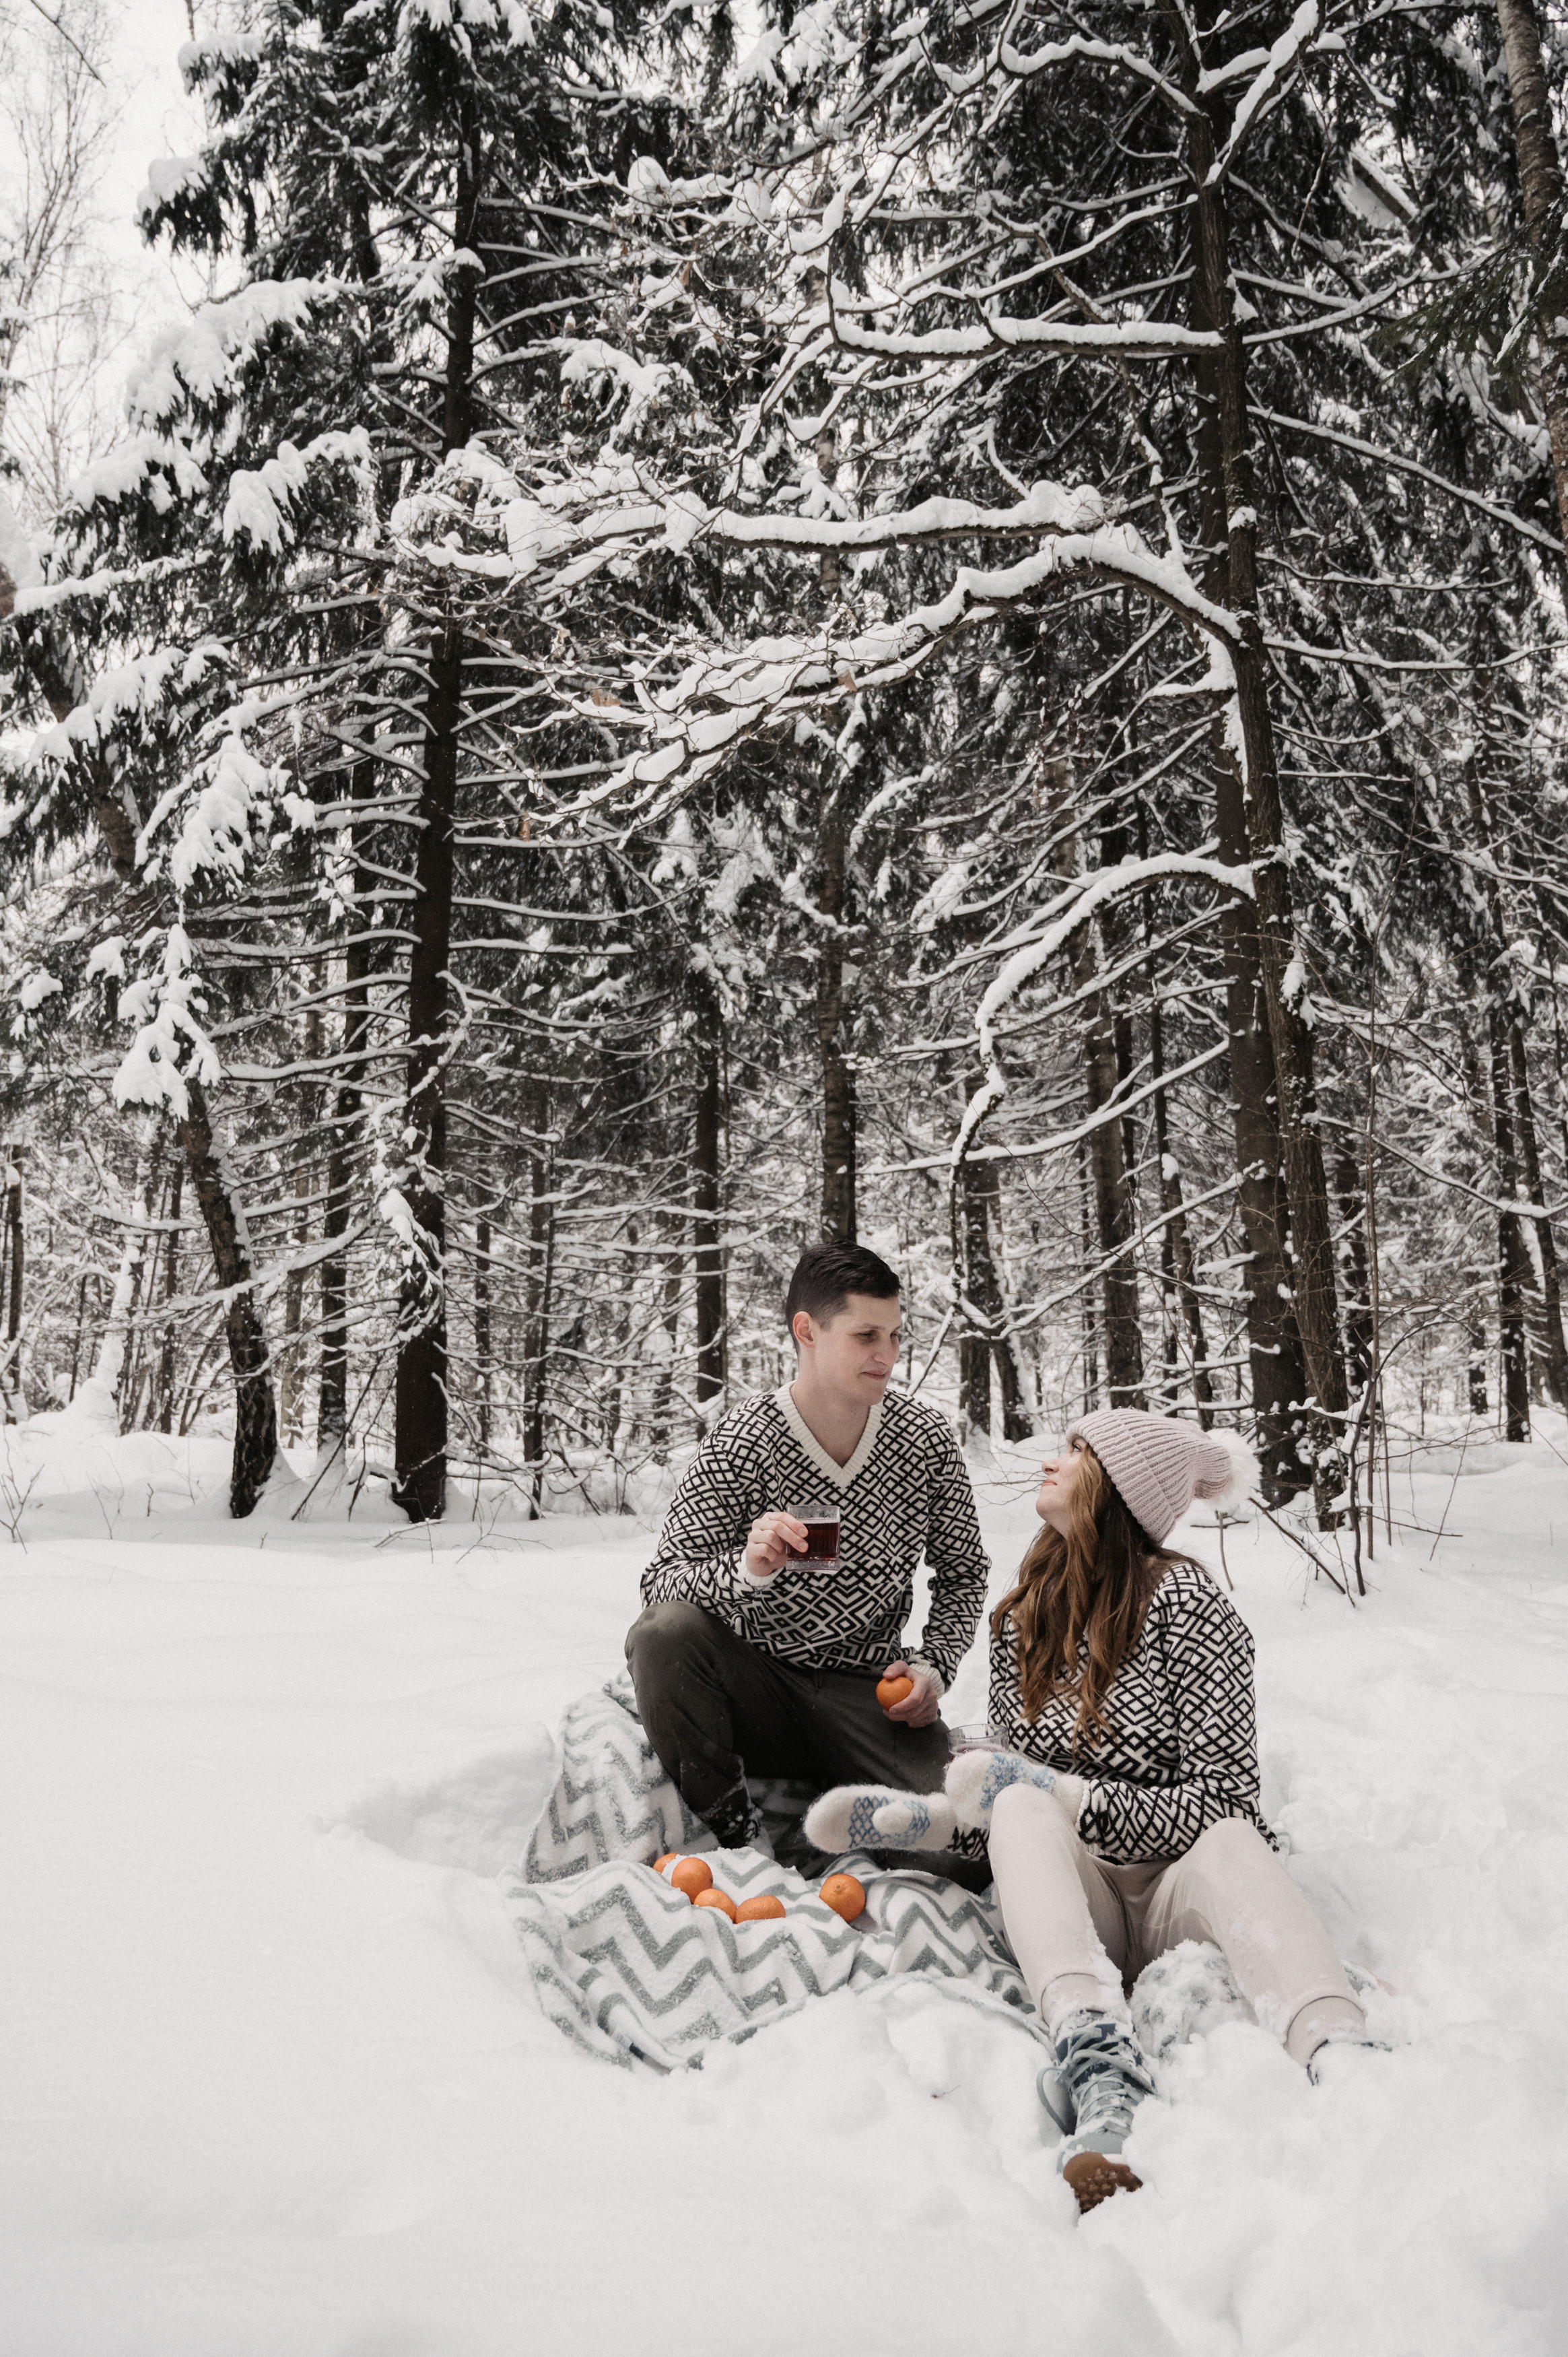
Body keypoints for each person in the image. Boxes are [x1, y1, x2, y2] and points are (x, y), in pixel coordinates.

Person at [805, 1408, 1381, 2213]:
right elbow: (1022, 1811)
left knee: (1224, 1833)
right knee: (1015, 1807)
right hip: (1088, 1906)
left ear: (1119, 1488)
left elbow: (1226, 1798)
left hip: (1186, 1888)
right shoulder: (1022, 1615)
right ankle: (1099, 2061)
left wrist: (1066, 1793)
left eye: (1077, 1450)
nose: (1052, 1459)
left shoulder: (1187, 1603)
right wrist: (938, 1820)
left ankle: (1345, 2056)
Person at [626, 1242, 990, 1864]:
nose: (888, 1355)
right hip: (755, 1692)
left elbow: (963, 1574)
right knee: (664, 1634)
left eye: (897, 1335)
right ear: (807, 1332)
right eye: (866, 1335)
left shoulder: (924, 1441)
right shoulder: (743, 1440)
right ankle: (738, 1838)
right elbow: (661, 1586)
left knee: (958, 1853)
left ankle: (856, 1800)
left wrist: (933, 1667)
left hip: (866, 1693)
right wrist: (744, 1570)